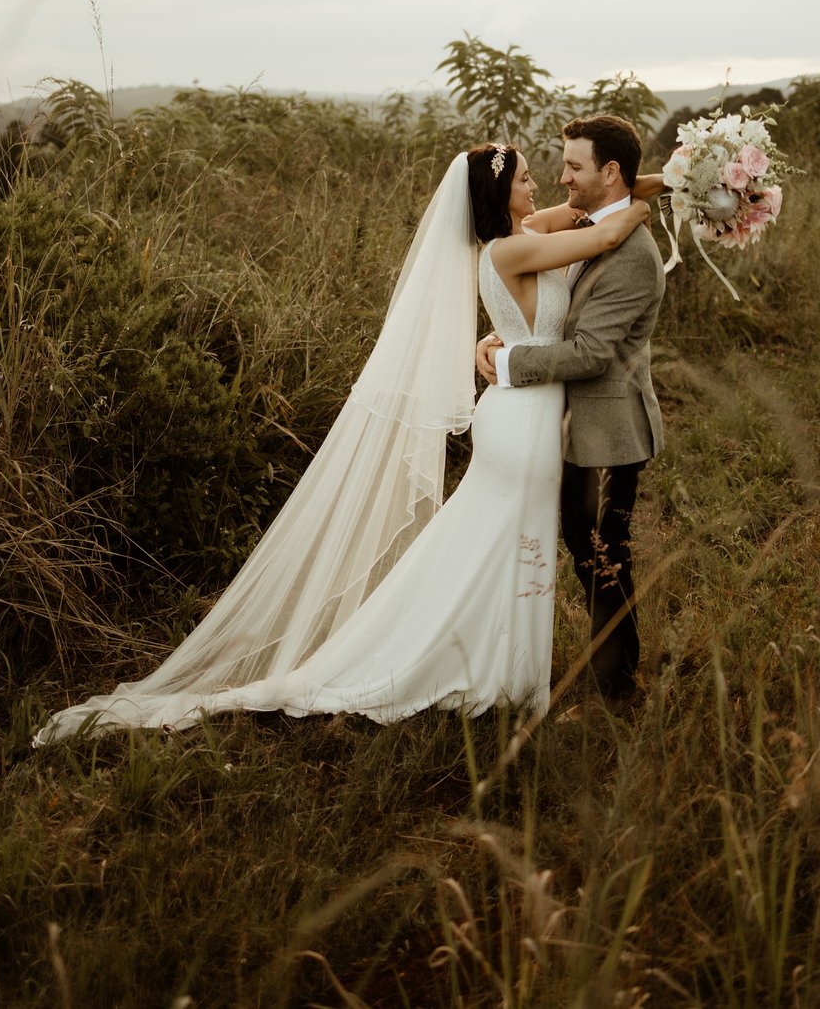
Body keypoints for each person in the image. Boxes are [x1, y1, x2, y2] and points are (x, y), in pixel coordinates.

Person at [34, 145, 650, 744]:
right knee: (508, 543)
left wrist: (642, 187)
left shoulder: (515, 237)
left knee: (495, 544)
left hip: (522, 413)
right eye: (522, 179)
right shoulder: (514, 248)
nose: (537, 185)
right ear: (498, 194)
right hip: (523, 421)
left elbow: (580, 217)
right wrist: (660, 201)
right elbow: (599, 235)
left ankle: (500, 665)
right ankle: (476, 667)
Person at [477, 116, 666, 704]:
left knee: (603, 560)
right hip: (560, 426)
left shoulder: (630, 251)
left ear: (610, 173)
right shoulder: (586, 224)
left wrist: (508, 362)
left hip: (609, 430)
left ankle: (618, 688)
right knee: (585, 554)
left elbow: (589, 353)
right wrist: (497, 339)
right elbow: (544, 307)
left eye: (573, 167)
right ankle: (604, 671)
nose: (560, 179)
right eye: (551, 169)